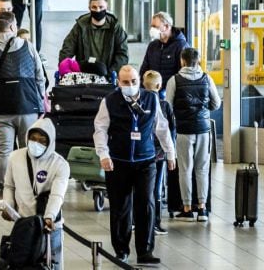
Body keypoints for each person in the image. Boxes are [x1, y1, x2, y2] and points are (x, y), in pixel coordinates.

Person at [93, 65, 174, 265]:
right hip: (117, 161)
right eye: (125, 82)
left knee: (146, 203)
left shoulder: (151, 99)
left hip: (146, 160)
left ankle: (145, 251)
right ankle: (121, 249)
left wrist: (170, 153)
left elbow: (162, 128)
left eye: (134, 81)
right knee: (120, 207)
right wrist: (103, 154)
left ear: (140, 81)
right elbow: (100, 129)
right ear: (118, 83)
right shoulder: (110, 101)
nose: (130, 85)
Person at [0, 14, 46, 184]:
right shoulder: (29, 46)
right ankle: (28, 186)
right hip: (28, 107)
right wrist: (38, 98)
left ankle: (5, 190)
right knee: (29, 149)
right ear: (13, 27)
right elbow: (40, 76)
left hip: (0, 108)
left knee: (4, 151)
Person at [0, 119, 70, 270]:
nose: (36, 143)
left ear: (50, 142)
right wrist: (8, 206)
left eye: (42, 141)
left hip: (49, 228)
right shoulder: (15, 157)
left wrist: (49, 216)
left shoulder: (60, 164)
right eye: (33, 139)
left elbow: (57, 196)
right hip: (23, 226)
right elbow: (9, 186)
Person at [166, 47, 220, 222]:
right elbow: (216, 103)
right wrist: (204, 111)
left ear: (182, 61)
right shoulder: (207, 78)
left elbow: (168, 106)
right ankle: (202, 209)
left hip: (183, 130)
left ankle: (187, 208)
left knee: (185, 170)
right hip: (204, 130)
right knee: (202, 169)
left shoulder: (174, 80)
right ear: (198, 61)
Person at [58, 0, 129, 76]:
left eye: (101, 7)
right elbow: (67, 49)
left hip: (109, 75)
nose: (98, 10)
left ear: (106, 8)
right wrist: (64, 70)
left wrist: (110, 74)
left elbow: (122, 54)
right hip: (84, 74)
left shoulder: (115, 28)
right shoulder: (80, 26)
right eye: (94, 7)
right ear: (89, 8)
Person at [142, 71, 174, 235]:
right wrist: (171, 153)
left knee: (140, 189)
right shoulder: (164, 105)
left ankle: (137, 222)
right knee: (156, 189)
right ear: (160, 86)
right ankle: (155, 222)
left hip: (143, 154)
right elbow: (169, 130)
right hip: (159, 155)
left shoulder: (138, 102)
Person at [139, 12, 187, 91]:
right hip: (152, 92)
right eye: (151, 26)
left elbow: (182, 75)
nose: (152, 29)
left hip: (171, 93)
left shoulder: (181, 46)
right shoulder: (152, 46)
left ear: (167, 26)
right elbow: (144, 69)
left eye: (155, 27)